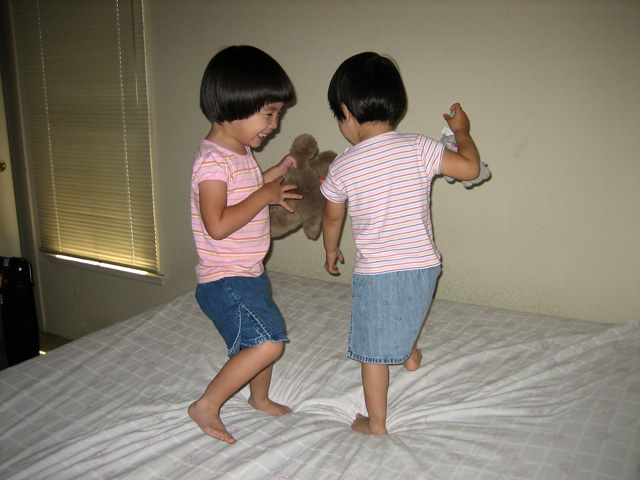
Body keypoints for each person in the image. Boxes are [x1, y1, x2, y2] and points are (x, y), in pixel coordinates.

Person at [321, 52, 481, 435]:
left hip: (378, 273)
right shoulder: (419, 147)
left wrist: (330, 248)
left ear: (346, 112)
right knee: (405, 308)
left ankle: (375, 422)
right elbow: (472, 169)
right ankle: (409, 356)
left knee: (372, 347)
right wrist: (462, 131)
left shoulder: (343, 166)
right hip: (425, 267)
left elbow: (331, 216)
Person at [188, 45, 301, 444]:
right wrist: (265, 195)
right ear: (232, 103)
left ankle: (259, 397)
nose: (273, 124)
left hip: (248, 272)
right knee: (268, 341)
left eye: (278, 115)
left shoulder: (239, 152)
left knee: (265, 332)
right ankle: (206, 405)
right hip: (224, 279)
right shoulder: (212, 163)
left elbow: (246, 190)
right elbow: (217, 224)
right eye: (268, 114)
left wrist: (276, 172)